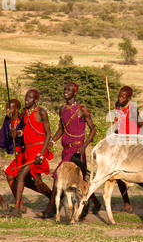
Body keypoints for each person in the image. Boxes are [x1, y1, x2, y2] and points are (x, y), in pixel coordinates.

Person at [41, 82, 101, 218]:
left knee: (59, 178)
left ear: (75, 93)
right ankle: (95, 203)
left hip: (77, 151)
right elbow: (61, 129)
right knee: (78, 181)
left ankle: (51, 209)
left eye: (69, 90)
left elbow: (93, 129)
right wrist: (52, 141)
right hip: (66, 150)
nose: (66, 92)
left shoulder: (82, 109)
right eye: (65, 89)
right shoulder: (62, 109)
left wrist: (84, 145)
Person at [9, 89, 52, 217]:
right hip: (27, 150)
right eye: (26, 97)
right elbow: (23, 131)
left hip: (38, 150)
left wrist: (41, 154)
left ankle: (16, 209)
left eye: (30, 97)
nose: (26, 99)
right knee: (37, 182)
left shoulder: (41, 112)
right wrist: (16, 133)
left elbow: (48, 134)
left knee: (21, 174)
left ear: (36, 100)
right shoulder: (24, 112)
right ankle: (53, 197)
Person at [114, 86, 143, 213]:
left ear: (129, 98)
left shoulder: (133, 110)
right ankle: (127, 204)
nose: (120, 99)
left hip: (132, 146)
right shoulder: (117, 106)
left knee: (136, 176)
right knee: (117, 174)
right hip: (121, 145)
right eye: (119, 96)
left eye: (123, 97)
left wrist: (136, 141)